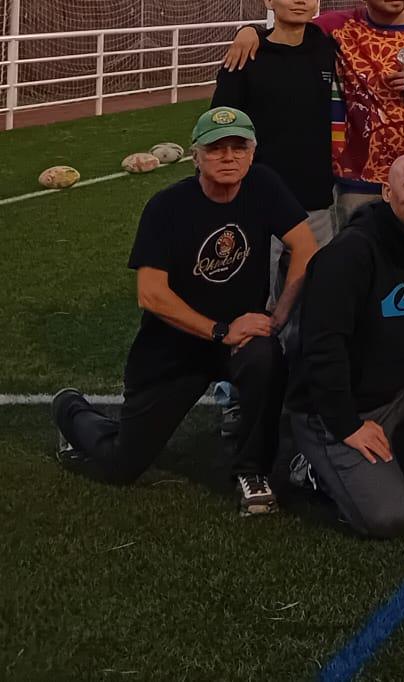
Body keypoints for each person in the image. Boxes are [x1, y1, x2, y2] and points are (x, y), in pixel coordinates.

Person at [52, 107, 313, 516]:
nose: (228, 157)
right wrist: (220, 330)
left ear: (252, 151)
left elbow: (305, 245)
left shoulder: (263, 185)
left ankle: (252, 470)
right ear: (196, 157)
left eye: (238, 146)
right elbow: (151, 295)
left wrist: (277, 316)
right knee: (122, 465)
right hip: (173, 348)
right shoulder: (167, 207)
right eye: (215, 149)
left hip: (236, 338)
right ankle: (69, 409)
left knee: (266, 354)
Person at [285, 152, 404, 538]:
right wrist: (348, 426)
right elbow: (323, 349)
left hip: (397, 387)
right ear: (387, 193)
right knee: (388, 517)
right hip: (336, 408)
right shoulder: (349, 254)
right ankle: (313, 465)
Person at [225, 0, 404, 220]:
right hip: (357, 179)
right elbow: (288, 26)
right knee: (354, 255)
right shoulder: (339, 26)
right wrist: (250, 32)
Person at [211, 0, 340, 276]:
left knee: (313, 291)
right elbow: (221, 125)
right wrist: (250, 31)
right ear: (269, 0)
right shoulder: (246, 56)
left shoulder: (329, 48)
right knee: (257, 294)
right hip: (258, 197)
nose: (300, 0)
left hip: (316, 196)